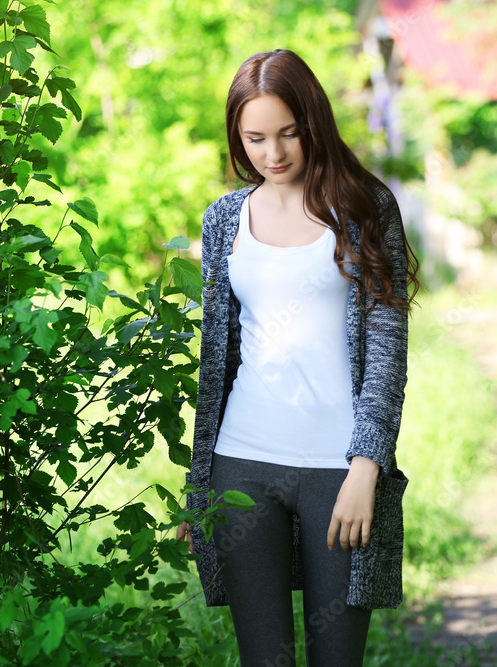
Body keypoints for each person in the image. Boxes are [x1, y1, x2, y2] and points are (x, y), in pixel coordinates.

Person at [175, 49, 421, 666]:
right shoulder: (224, 219)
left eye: (288, 133)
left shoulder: (365, 208)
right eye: (255, 138)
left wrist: (368, 467)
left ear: (314, 123)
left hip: (339, 471)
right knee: (265, 660)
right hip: (243, 464)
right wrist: (199, 485)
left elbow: (389, 346)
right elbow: (217, 363)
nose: (273, 153)